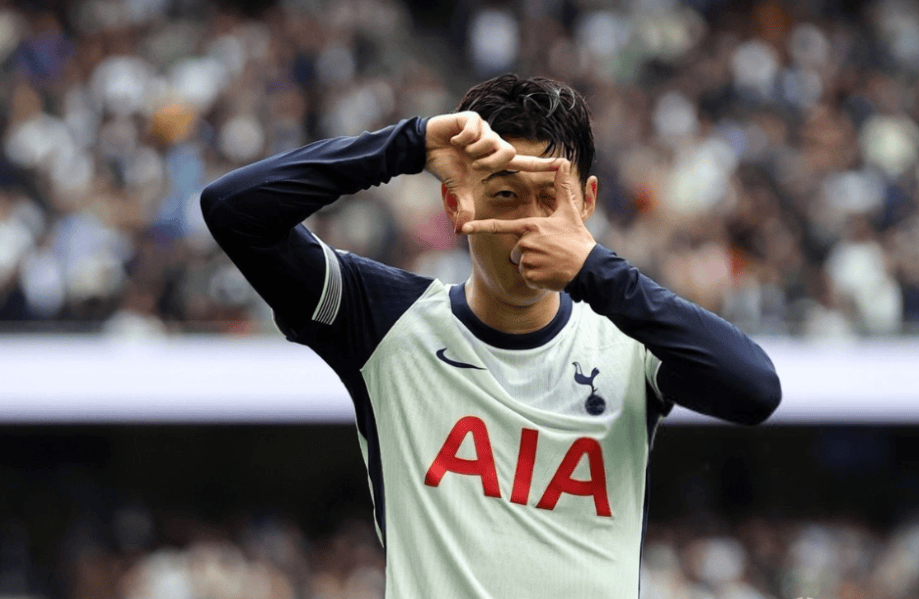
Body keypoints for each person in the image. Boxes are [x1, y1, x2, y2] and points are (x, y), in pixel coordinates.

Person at [201, 74, 781, 598]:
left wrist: (596, 270)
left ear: (588, 203)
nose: (530, 223)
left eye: (551, 198)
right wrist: (408, 144)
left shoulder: (629, 336)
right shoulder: (385, 323)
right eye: (505, 195)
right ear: (457, 203)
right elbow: (233, 210)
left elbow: (755, 389)